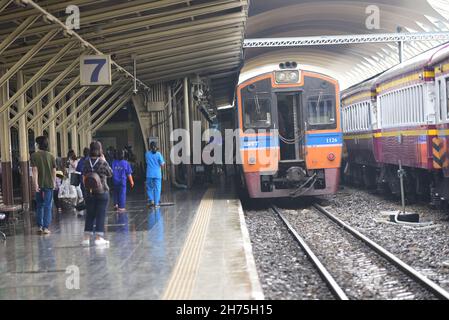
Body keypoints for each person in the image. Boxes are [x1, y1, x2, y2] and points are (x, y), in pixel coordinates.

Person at [82, 141, 112, 246]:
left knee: (90, 214)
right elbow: (110, 173)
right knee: (100, 214)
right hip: (102, 191)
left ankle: (86, 238)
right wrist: (105, 161)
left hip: (89, 192)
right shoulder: (102, 162)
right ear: (100, 150)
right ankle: (99, 238)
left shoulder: (86, 162)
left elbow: (83, 174)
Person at [30, 136, 56, 234]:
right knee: (48, 205)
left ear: (38, 144)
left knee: (39, 205)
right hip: (49, 184)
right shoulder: (51, 156)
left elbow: (35, 170)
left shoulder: (34, 156)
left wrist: (35, 183)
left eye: (36, 143)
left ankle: (40, 226)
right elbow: (54, 170)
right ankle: (46, 228)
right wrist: (53, 182)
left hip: (39, 184)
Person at [145, 141, 165, 208]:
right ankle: (156, 203)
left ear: (150, 147)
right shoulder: (158, 154)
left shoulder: (147, 154)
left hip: (149, 174)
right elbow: (162, 164)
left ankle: (151, 200)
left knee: (150, 188)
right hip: (157, 174)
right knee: (157, 188)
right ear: (157, 147)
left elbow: (147, 162)